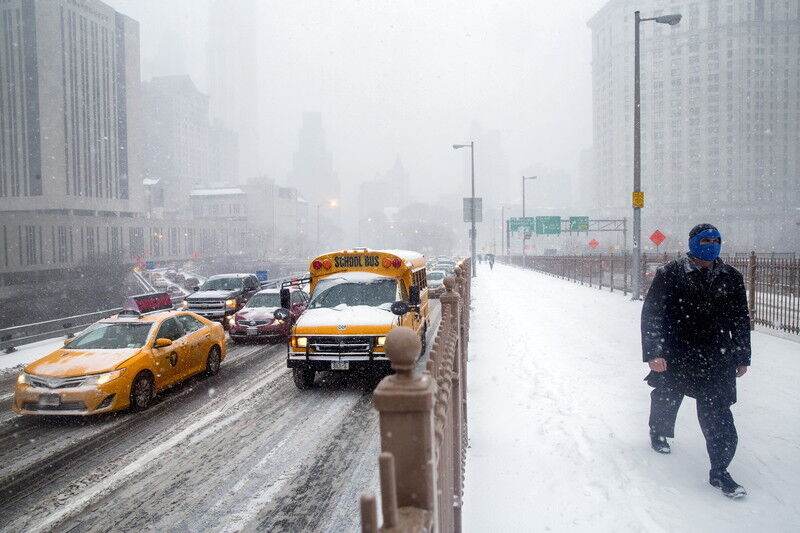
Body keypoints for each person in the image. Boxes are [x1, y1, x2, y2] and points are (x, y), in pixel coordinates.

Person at [641, 223, 751, 499]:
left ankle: (720, 471)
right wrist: (655, 352)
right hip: (677, 352)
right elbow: (652, 314)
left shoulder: (731, 277)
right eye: (705, 240)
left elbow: (740, 319)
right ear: (693, 243)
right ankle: (658, 431)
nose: (711, 245)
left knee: (719, 414)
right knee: (667, 394)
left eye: (716, 240)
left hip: (716, 356)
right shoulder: (671, 273)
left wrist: (741, 355)